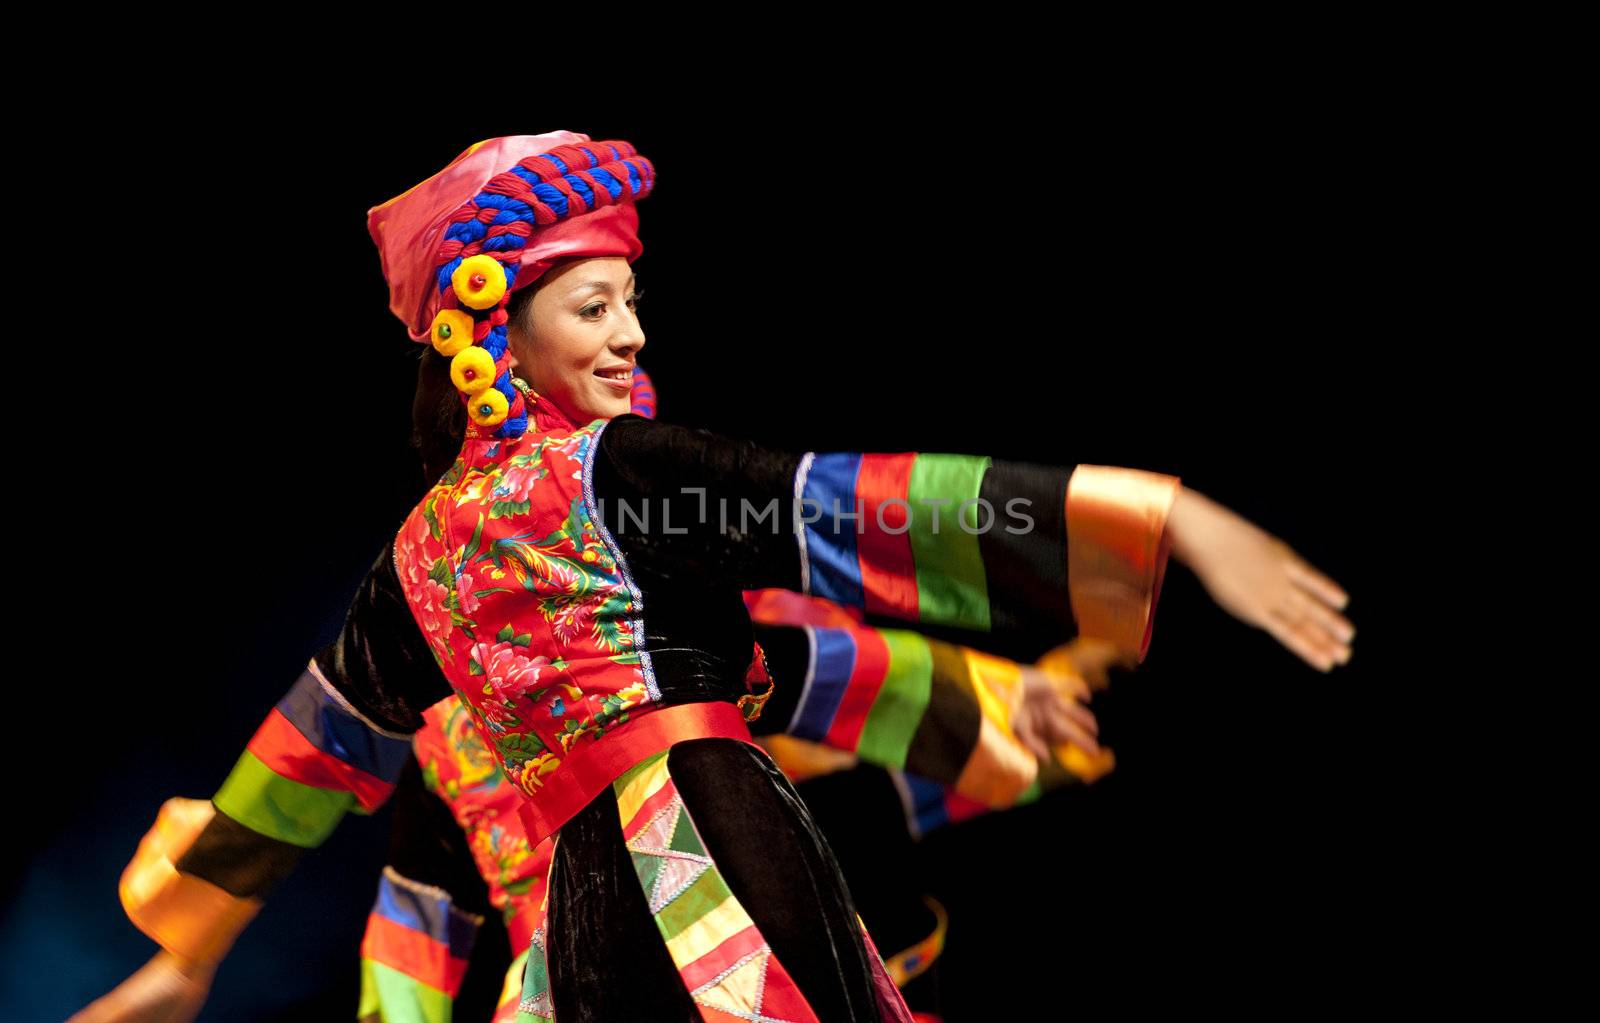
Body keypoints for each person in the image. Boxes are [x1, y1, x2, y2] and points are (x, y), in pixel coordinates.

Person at [83, 130, 1353, 1023]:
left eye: (629, 303)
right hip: (701, 844)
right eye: (592, 305)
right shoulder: (619, 473)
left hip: (590, 920)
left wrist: (193, 941)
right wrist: (1150, 520)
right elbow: (850, 511)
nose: (629, 333)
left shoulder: (420, 563)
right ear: (497, 328)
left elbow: (299, 763)